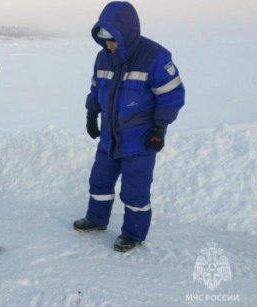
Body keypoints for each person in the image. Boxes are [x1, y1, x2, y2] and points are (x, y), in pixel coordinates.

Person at [73, 1, 185, 252]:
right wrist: (92, 112)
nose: (109, 46)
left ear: (126, 33)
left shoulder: (155, 56)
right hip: (109, 137)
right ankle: (97, 219)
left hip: (140, 141)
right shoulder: (103, 58)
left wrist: (159, 128)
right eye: (104, 40)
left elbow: (172, 94)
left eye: (112, 40)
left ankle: (133, 234)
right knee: (99, 181)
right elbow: (96, 88)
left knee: (135, 191)